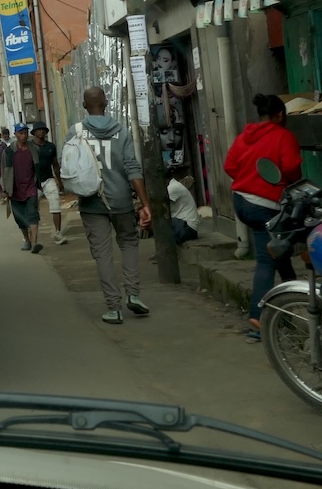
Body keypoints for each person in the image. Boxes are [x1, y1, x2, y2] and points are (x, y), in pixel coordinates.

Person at [224, 94, 303, 341]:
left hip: (241, 201)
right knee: (266, 260)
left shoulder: (244, 136)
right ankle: (258, 317)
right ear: (280, 115)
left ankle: (295, 298)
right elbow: (291, 168)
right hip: (265, 205)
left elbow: (230, 167)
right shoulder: (283, 136)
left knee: (277, 249)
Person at [72, 87, 152, 323]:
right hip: (121, 201)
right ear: (106, 103)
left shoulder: (76, 132)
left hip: (91, 203)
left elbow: (68, 168)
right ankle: (134, 294)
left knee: (103, 254)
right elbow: (132, 169)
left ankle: (113, 308)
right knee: (128, 243)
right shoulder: (121, 131)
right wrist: (145, 203)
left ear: (84, 106)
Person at [0, 123, 42, 253]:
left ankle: (34, 243)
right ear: (15, 134)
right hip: (14, 188)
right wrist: (5, 189)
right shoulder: (9, 151)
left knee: (32, 214)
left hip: (30, 187)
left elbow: (37, 168)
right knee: (20, 217)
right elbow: (4, 170)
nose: (24, 136)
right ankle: (27, 240)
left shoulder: (34, 149)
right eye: (21, 133)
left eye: (25, 133)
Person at [29, 121, 66, 244]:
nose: (42, 132)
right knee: (33, 209)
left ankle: (58, 233)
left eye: (44, 130)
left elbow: (55, 165)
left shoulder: (51, 147)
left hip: (48, 179)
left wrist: (59, 182)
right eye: (39, 130)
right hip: (33, 181)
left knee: (56, 204)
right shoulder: (29, 147)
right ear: (34, 132)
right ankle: (32, 236)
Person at [167, 168, 200, 246]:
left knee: (161, 221)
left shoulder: (173, 187)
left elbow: (160, 208)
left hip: (188, 228)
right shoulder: (172, 185)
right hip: (182, 225)